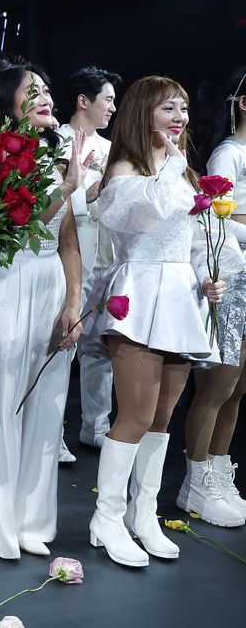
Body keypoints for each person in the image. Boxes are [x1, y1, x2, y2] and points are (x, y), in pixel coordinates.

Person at [83, 76, 227, 567]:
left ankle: (143, 516)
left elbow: (192, 236)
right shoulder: (126, 167)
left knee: (164, 418)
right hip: (141, 294)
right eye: (169, 107)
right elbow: (142, 216)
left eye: (184, 107)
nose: (180, 115)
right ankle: (106, 516)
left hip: (182, 297)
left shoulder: (180, 171)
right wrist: (179, 167)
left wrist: (209, 280)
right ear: (144, 112)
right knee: (137, 414)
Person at [0, 57, 85, 561]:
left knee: (49, 404)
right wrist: (66, 187)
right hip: (4, 285)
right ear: (5, 103)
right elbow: (22, 225)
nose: (44, 97)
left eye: (46, 89)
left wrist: (74, 301)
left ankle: (34, 519)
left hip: (50, 286)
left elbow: (66, 237)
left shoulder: (58, 154)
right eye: (30, 89)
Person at [178, 65, 246, 527]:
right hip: (232, 280)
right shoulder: (228, 154)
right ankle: (194, 482)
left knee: (240, 386)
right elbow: (218, 221)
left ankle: (220, 474)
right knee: (219, 383)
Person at [57, 66, 122, 455]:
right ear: (84, 101)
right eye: (108, 99)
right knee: (62, 341)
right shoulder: (55, 141)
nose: (113, 107)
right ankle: (52, 430)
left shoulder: (114, 150)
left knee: (99, 345)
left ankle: (95, 423)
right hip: (67, 250)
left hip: (105, 252)